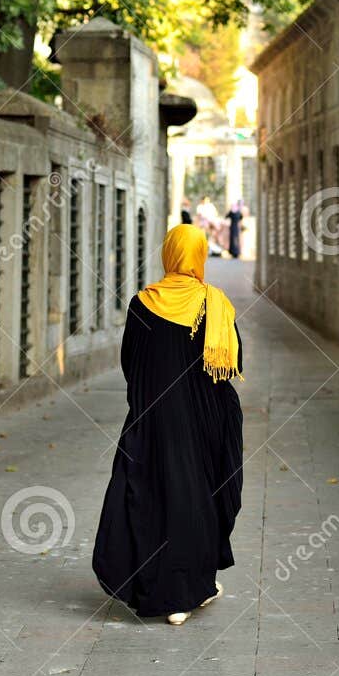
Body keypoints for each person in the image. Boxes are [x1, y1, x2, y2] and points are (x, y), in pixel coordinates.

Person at [92, 225, 244, 625]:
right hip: (202, 425)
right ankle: (187, 592)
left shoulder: (142, 303)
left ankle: (156, 589)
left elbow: (130, 363)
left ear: (168, 254)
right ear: (197, 256)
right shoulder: (215, 304)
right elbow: (231, 365)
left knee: (149, 495)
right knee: (197, 499)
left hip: (152, 419)